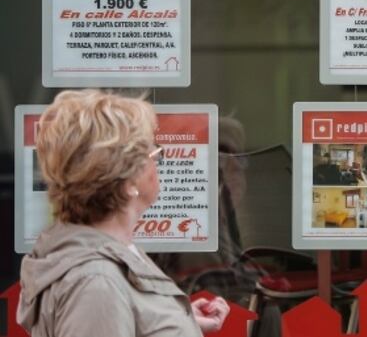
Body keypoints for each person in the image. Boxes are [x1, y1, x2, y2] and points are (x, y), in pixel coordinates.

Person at [16, 89, 230, 336]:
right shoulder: (97, 284)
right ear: (128, 180)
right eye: (152, 153)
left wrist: (175, 320)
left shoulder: (109, 259)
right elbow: (101, 311)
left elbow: (126, 317)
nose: (159, 161)